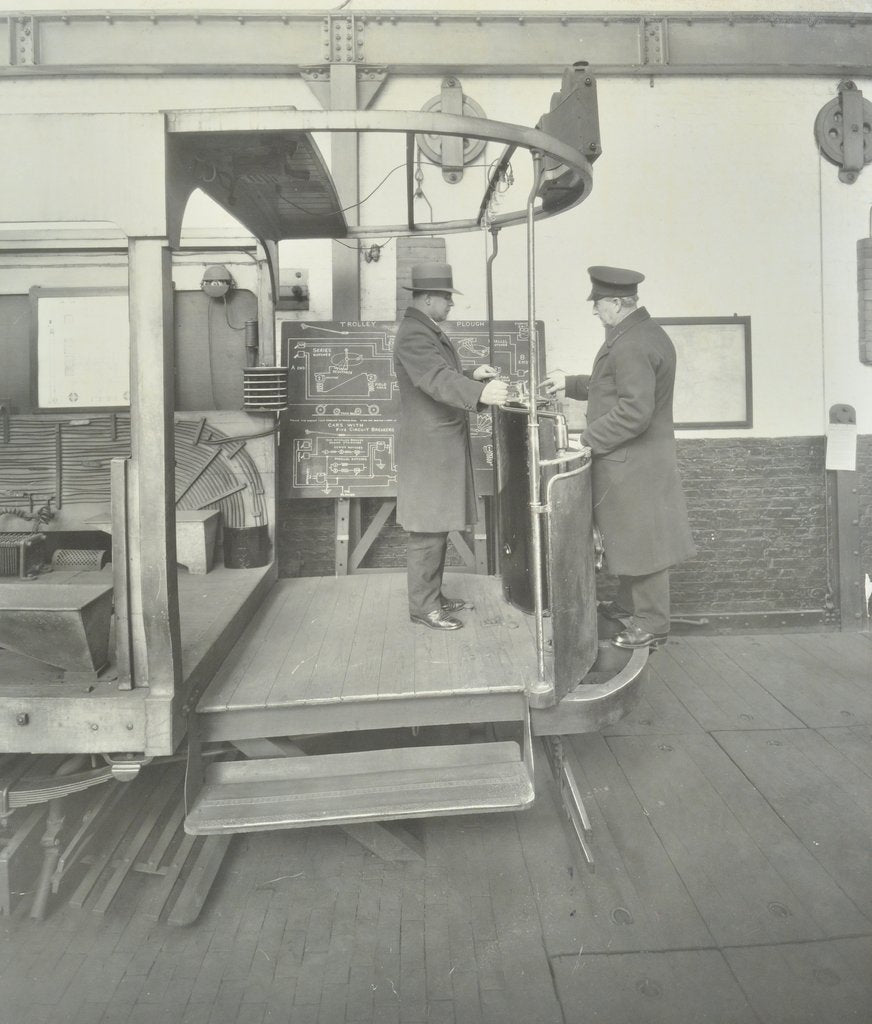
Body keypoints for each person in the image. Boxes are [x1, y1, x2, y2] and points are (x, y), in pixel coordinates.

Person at [543, 266, 695, 649]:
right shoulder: (640, 333)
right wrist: (571, 383)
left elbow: (634, 411)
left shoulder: (630, 343)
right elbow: (611, 385)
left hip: (632, 463)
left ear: (614, 303)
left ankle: (652, 624)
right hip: (637, 461)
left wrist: (587, 440)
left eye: (597, 303)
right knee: (630, 540)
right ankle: (629, 605)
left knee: (643, 544)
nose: (594, 310)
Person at [394, 263, 509, 631]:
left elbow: (441, 372)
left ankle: (432, 598)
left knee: (438, 523)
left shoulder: (425, 329)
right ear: (428, 299)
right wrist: (480, 393)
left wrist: (472, 375)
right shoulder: (414, 334)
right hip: (429, 449)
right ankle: (422, 607)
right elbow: (434, 378)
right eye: (447, 298)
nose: (451, 305)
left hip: (437, 444)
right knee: (428, 526)